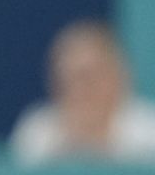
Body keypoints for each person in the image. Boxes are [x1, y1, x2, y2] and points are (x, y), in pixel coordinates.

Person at [11, 19, 155, 166]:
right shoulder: (38, 130)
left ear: (117, 75)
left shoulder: (150, 129)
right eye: (67, 79)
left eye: (88, 77)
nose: (78, 89)